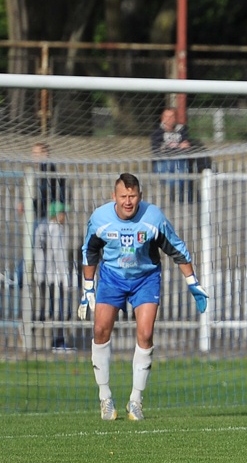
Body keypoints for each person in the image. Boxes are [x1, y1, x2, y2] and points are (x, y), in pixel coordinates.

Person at [78, 172, 209, 421]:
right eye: (124, 196)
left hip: (145, 279)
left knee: (146, 334)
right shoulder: (100, 219)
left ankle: (136, 400)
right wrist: (87, 289)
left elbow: (176, 249)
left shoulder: (153, 218)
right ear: (114, 196)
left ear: (140, 196)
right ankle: (105, 398)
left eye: (133, 196)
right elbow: (90, 251)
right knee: (100, 331)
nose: (128, 201)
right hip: (111, 278)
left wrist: (193, 283)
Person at [33, 201, 75, 352]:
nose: (65, 216)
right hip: (57, 277)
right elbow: (60, 255)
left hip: (44, 276)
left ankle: (53, 340)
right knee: (63, 311)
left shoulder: (42, 228)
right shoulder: (57, 229)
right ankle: (58, 342)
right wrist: (66, 278)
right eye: (63, 213)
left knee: (50, 310)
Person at [18, 142, 68, 223]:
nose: (34, 156)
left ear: (45, 154)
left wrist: (28, 204)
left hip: (50, 217)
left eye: (36, 153)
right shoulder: (39, 171)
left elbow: (45, 191)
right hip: (44, 215)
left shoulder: (49, 169)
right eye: (33, 153)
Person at [150, 107, 193, 203]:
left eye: (172, 117)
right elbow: (157, 151)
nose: (169, 120)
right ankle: (174, 194)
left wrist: (169, 148)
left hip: (179, 160)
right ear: (162, 118)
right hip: (163, 161)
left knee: (182, 167)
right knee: (167, 168)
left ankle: (181, 197)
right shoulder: (157, 132)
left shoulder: (182, 130)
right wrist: (178, 146)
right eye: (166, 117)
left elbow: (187, 147)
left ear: (176, 118)